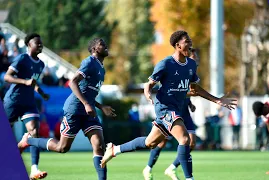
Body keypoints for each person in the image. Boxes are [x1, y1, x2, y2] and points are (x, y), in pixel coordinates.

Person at [100, 30, 237, 180]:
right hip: (165, 108)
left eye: (190, 41)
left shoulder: (191, 64)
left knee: (150, 143)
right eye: (187, 41)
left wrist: (216, 100)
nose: (190, 44)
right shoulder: (165, 64)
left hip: (175, 109)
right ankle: (189, 178)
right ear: (178, 45)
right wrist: (147, 93)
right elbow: (149, 84)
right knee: (185, 139)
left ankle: (114, 149)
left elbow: (194, 89)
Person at [18, 38, 116, 180]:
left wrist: (101, 106)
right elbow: (73, 83)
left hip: (89, 114)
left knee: (99, 145)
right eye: (102, 44)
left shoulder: (102, 68)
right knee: (62, 148)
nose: (105, 45)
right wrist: (86, 104)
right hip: (75, 110)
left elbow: (87, 93)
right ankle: (29, 140)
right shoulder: (89, 62)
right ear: (94, 48)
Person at [142, 48, 199, 180]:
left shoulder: (191, 69)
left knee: (191, 142)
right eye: (195, 57)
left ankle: (172, 168)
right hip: (171, 110)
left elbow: (187, 89)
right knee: (159, 142)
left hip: (184, 112)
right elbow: (179, 89)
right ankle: (148, 167)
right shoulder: (176, 65)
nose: (197, 60)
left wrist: (190, 103)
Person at [3, 33, 49, 179]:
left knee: (34, 131)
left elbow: (33, 82)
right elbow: (7, 77)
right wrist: (24, 82)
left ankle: (34, 169)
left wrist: (42, 93)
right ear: (29, 45)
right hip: (13, 101)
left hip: (28, 102)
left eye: (41, 43)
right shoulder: (22, 58)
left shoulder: (41, 64)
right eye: (37, 43)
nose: (40, 45)